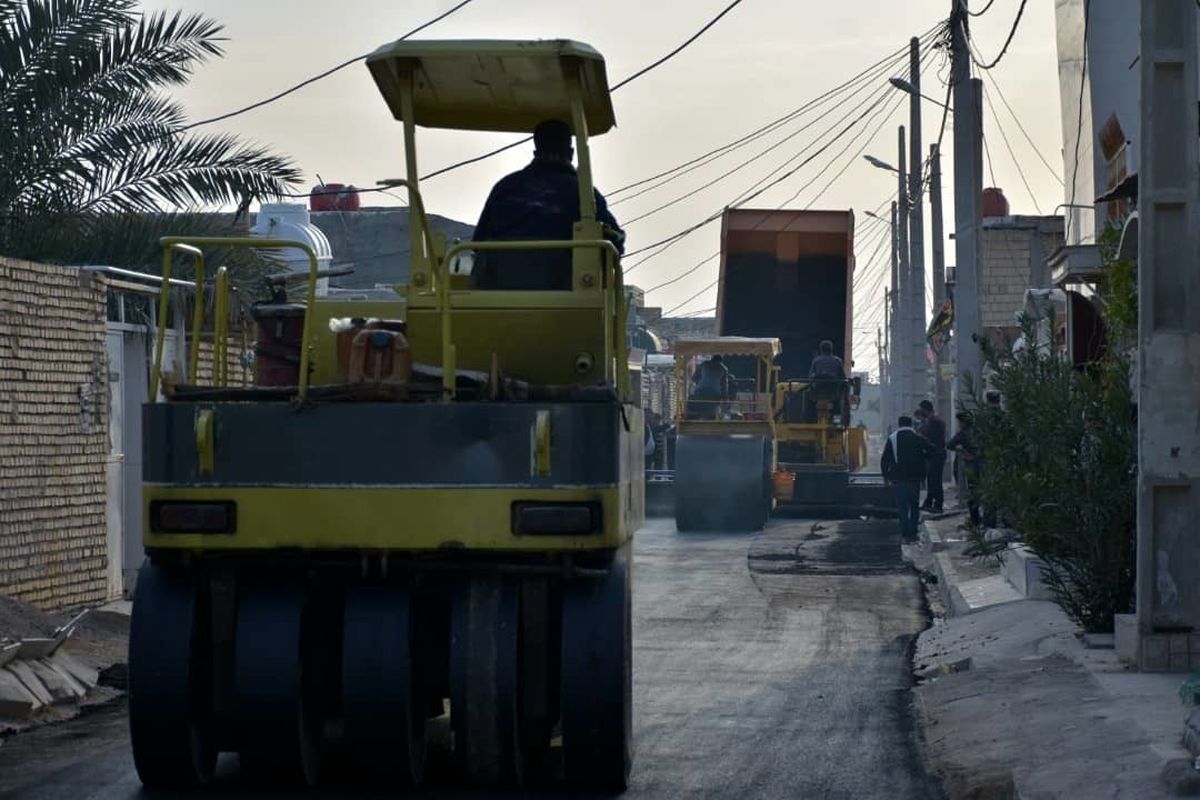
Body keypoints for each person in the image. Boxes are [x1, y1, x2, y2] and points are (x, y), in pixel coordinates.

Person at [471, 119, 625, 290]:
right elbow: (615, 244)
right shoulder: (585, 194)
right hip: (567, 298)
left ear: (536, 150)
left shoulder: (505, 187)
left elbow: (478, 242)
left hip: (495, 295)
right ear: (571, 153)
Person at [881, 414, 936, 542]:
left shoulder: (892, 438)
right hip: (916, 478)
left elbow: (885, 460)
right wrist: (924, 460)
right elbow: (932, 450)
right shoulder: (918, 437)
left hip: (899, 478)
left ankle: (905, 532)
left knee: (902, 506)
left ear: (899, 424)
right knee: (914, 504)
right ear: (911, 424)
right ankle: (913, 531)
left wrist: (885, 477)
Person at [946, 411, 981, 526]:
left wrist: (960, 449)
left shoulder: (963, 433)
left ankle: (975, 520)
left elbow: (949, 445)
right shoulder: (978, 431)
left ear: (963, 422)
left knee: (973, 492)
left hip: (971, 465)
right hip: (984, 464)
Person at [916, 400, 947, 513]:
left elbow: (926, 434)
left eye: (921, 409)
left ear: (925, 409)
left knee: (935, 480)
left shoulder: (934, 421)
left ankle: (938, 505)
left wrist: (921, 429)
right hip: (933, 454)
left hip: (936, 454)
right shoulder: (932, 420)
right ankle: (928, 502)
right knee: (931, 480)